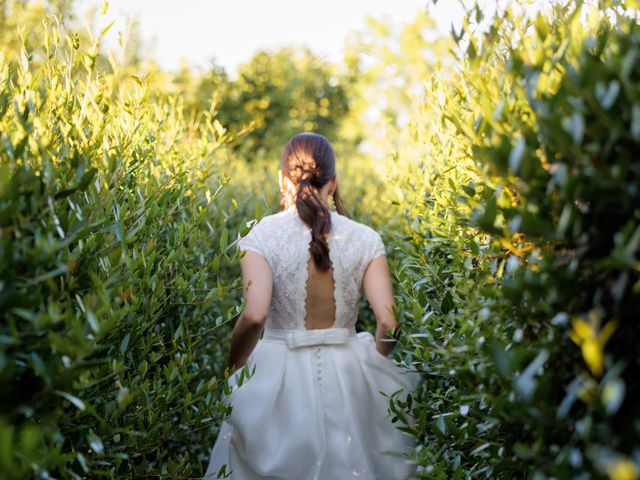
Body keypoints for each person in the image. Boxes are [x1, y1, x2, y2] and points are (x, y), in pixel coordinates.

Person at [204, 132, 420, 480]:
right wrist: (376, 367)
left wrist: (234, 369)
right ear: (332, 183)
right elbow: (389, 322)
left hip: (277, 375)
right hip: (349, 371)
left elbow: (255, 314)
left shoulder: (259, 235)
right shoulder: (366, 238)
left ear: (282, 178)